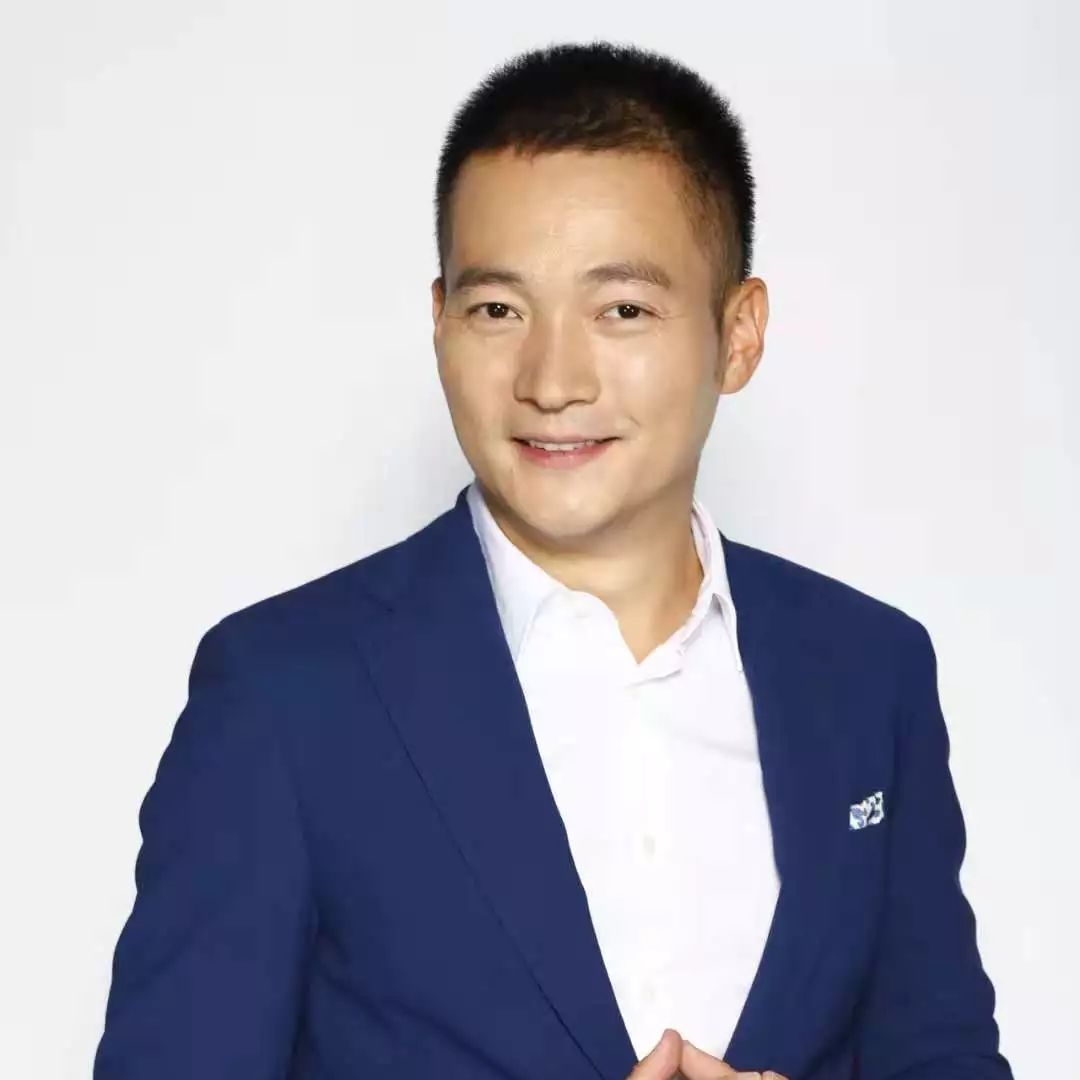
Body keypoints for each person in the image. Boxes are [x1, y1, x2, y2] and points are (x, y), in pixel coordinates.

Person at [92, 41, 1012, 1080]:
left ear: (739, 334)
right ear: (439, 322)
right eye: (498, 310)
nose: (552, 379)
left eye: (623, 310)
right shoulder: (285, 692)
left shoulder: (869, 671)